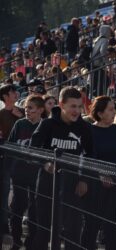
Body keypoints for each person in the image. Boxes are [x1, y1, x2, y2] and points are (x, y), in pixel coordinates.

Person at [30, 86, 94, 250]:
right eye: (73, 106)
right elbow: (33, 149)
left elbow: (90, 155)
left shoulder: (84, 128)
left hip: (72, 186)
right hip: (46, 184)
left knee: (73, 232)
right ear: (62, 105)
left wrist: (84, 179)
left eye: (80, 106)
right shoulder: (47, 124)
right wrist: (45, 163)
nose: (77, 111)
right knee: (44, 231)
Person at [81, 96, 116, 250]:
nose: (114, 112)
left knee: (114, 229)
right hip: (95, 185)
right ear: (100, 113)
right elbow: (88, 157)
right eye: (111, 109)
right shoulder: (89, 131)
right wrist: (100, 173)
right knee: (91, 226)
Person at [8, 95, 45, 250]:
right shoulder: (19, 124)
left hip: (37, 175)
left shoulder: (46, 126)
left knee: (35, 210)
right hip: (19, 173)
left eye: (31, 108)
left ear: (40, 110)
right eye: (26, 108)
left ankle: (31, 242)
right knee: (18, 206)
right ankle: (16, 240)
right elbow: (11, 145)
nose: (27, 111)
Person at [0, 84, 24, 244]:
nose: (16, 94)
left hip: (24, 159)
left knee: (21, 196)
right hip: (7, 159)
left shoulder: (22, 112)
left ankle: (17, 232)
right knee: (5, 194)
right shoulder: (1, 114)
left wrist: (19, 117)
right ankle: (5, 229)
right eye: (13, 92)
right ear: (6, 96)